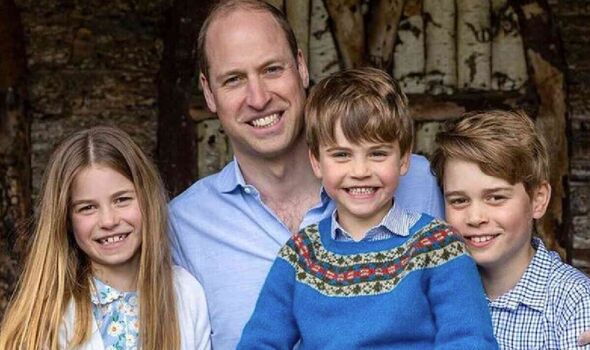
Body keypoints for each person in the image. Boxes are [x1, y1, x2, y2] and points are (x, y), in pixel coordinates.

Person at [168, 1, 444, 348]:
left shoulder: (420, 183)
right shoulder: (182, 226)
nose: (258, 98)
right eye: (234, 79)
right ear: (209, 92)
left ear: (300, 67)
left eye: (271, 69)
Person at [236, 67, 498, 349]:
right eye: (341, 155)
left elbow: (469, 340)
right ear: (316, 162)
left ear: (403, 159)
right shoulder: (301, 257)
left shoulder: (437, 247)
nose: (360, 171)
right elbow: (260, 343)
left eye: (377, 153)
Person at [0, 126, 211, 350]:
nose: (109, 221)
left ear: (147, 199)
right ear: (65, 220)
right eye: (87, 207)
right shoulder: (46, 315)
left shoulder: (187, 293)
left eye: (121, 200)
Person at [431, 110, 590, 349]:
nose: (475, 218)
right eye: (459, 201)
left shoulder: (574, 303)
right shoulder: (438, 293)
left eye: (495, 197)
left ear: (538, 200)